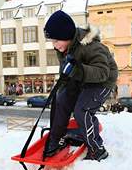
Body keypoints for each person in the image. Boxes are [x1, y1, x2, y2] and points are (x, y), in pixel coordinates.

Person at [43, 10, 118, 161]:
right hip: (81, 79)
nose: (54, 45)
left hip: (102, 82)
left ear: (67, 35)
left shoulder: (91, 46)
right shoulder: (64, 47)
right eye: (52, 41)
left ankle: (98, 150)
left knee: (82, 110)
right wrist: (62, 87)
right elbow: (67, 71)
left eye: (56, 41)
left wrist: (77, 71)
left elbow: (103, 72)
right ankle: (55, 140)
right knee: (60, 99)